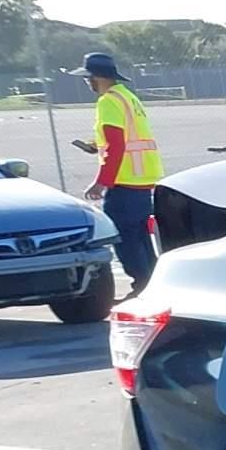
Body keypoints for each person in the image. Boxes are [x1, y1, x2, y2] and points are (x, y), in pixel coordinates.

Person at [66, 51, 164, 294]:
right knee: (141, 239)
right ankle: (152, 285)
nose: (87, 82)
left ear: (95, 78)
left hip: (124, 182)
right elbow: (124, 139)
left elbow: (116, 145)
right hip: (142, 179)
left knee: (126, 240)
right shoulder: (128, 97)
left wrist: (102, 182)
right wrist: (95, 145)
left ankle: (141, 287)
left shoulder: (108, 101)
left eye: (87, 78)